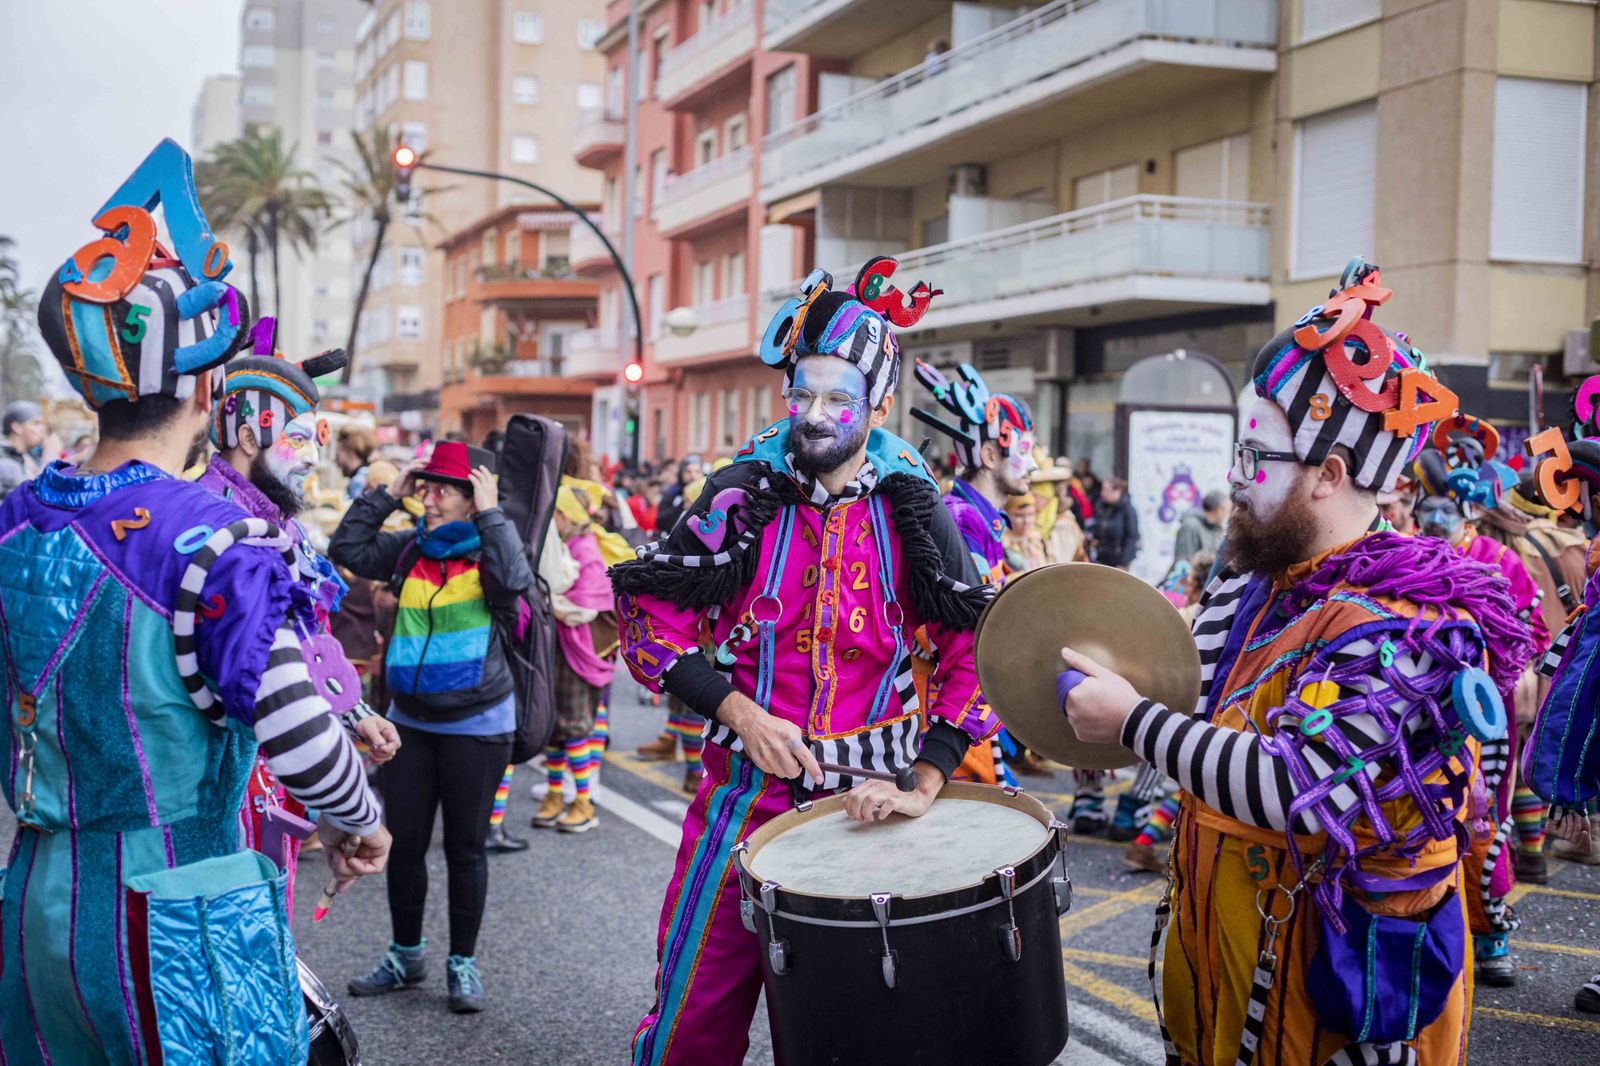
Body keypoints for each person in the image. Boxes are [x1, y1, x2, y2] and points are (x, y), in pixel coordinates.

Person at [1059, 259, 1530, 1064]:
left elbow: (1302, 787)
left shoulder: (1412, 623)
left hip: (1330, 1000)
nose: (1233, 480)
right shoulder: (1252, 579)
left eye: (1256, 458)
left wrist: (1133, 722)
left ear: (1331, 475)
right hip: (1226, 967)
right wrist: (1105, 719)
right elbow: (1193, 703)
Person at [4, 140, 388, 1063]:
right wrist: (360, 818)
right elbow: (294, 726)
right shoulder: (213, 541)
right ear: (208, 382)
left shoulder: (14, 523)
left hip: (33, 907)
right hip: (180, 919)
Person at [612, 259, 994, 1066]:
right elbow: (646, 615)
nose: (814, 416)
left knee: (838, 1039)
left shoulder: (919, 513)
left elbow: (976, 650)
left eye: (837, 399)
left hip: (867, 818)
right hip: (739, 806)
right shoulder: (738, 494)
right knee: (689, 1028)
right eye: (801, 396)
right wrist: (736, 711)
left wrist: (925, 780)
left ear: (878, 405)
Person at [197, 325, 403, 897]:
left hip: (269, 781)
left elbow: (301, 643)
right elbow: (269, 677)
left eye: (317, 437)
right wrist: (357, 810)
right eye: (298, 439)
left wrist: (353, 713)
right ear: (245, 433)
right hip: (221, 788)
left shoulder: (279, 526)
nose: (313, 457)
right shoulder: (224, 527)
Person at [330, 440, 535, 1014]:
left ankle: (462, 964)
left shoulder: (492, 551)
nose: (429, 496)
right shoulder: (408, 549)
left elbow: (515, 583)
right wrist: (388, 493)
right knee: (404, 844)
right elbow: (345, 546)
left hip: (477, 724)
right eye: (425, 486)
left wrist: (492, 514)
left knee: (466, 850)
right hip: (409, 723)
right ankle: (405, 955)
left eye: (442, 488)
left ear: (474, 499)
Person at [1411, 428, 1546, 987]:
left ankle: (1491, 934)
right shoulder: (1405, 553)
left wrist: (1499, 673)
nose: (1434, 518)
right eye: (1427, 508)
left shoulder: (1498, 559)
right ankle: (1420, 932)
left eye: (1445, 508)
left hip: (1483, 720)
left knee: (1484, 825)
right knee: (1416, 824)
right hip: (1415, 716)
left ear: (1468, 508)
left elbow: (1532, 631)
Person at [910, 360, 1037, 783]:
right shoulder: (961, 518)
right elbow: (946, 629)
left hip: (963, 691)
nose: (1033, 466)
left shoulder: (979, 517)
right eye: (1023, 451)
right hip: (945, 698)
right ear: (987, 455)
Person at [531, 484, 617, 832]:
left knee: (574, 728)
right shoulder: (564, 546)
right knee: (553, 728)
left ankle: (583, 802)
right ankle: (555, 794)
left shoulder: (587, 549)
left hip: (578, 654)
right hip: (557, 649)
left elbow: (585, 605)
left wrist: (551, 602)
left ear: (564, 517)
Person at [1088, 475, 1139, 568]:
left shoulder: (1127, 509)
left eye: (1106, 490)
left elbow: (1131, 537)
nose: (1102, 493)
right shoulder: (1101, 506)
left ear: (1117, 491)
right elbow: (1098, 526)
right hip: (1102, 558)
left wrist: (1123, 563)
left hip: (1119, 561)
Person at [0, 399, 46, 497]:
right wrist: (50, 455)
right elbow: (28, 501)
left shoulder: (26, 457)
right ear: (17, 428)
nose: (42, 429)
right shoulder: (6, 462)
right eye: (36, 423)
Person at [1173, 489, 1228, 563]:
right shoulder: (1190, 526)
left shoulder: (1217, 529)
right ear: (1219, 510)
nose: (1227, 514)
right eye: (1227, 510)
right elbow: (1183, 563)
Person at [337, 423, 379, 499]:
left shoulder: (358, 481)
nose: (336, 461)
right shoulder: (367, 473)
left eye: (338, 455)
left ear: (351, 455)